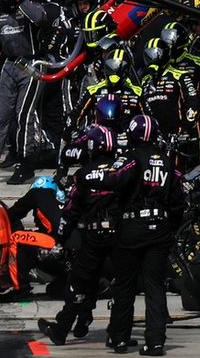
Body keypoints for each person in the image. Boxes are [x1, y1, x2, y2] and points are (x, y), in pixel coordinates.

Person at [101, 114, 185, 355]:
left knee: (125, 284)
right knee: (154, 286)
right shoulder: (168, 162)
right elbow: (178, 200)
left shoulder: (131, 158)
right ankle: (155, 341)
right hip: (159, 228)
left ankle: (119, 338)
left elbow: (111, 180)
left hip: (132, 228)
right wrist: (171, 225)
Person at [38, 125, 120, 346]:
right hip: (120, 237)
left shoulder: (83, 175)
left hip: (93, 237)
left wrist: (61, 239)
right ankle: (115, 332)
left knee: (78, 280)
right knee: (122, 284)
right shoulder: (126, 168)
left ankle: (62, 328)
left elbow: (71, 210)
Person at [0, 0, 48, 179]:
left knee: (23, 115)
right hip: (9, 65)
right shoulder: (0, 13)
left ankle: (25, 162)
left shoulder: (29, 7)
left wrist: (19, 0)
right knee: (1, 115)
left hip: (31, 64)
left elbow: (40, 19)